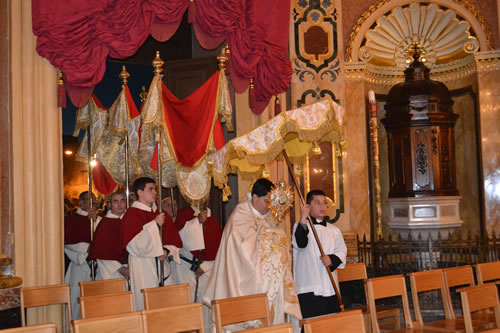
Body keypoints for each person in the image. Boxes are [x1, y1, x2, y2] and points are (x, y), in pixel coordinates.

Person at [204, 178, 301, 331]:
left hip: (269, 283)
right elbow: (241, 250)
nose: (269, 207)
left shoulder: (268, 215)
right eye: (266, 201)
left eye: (271, 202)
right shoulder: (239, 216)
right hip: (245, 281)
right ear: (255, 198)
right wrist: (272, 238)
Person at [120, 177, 183, 311]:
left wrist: (166, 250)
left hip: (162, 266)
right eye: (151, 189)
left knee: (166, 304)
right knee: (146, 304)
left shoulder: (160, 213)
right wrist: (154, 224)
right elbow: (135, 246)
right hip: (142, 265)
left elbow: (174, 240)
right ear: (139, 192)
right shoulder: (131, 215)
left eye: (155, 189)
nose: (155, 192)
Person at [292, 189, 347, 321]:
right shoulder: (300, 226)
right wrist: (303, 218)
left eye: (324, 203)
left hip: (329, 285)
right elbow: (301, 243)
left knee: (330, 324)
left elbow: (342, 251)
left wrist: (332, 259)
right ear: (308, 206)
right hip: (309, 286)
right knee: (312, 324)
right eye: (317, 203)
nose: (322, 206)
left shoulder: (334, 230)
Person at [173, 200, 223, 329]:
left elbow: (219, 249)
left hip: (207, 270)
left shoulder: (213, 220)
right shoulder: (184, 214)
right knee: (187, 307)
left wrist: (205, 267)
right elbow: (178, 240)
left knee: (206, 307)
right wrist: (197, 222)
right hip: (185, 268)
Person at [64, 191, 95, 319]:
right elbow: (66, 242)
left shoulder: (100, 218)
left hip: (98, 265)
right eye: (89, 200)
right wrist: (86, 247)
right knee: (76, 301)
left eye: (95, 200)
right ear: (81, 202)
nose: (93, 203)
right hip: (80, 264)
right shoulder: (73, 219)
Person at [88, 192, 129, 282]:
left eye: (122, 201)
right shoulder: (105, 224)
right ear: (109, 205)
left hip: (131, 268)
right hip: (110, 272)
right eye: (115, 202)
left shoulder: (131, 221)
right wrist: (121, 269)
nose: (119, 205)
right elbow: (101, 252)